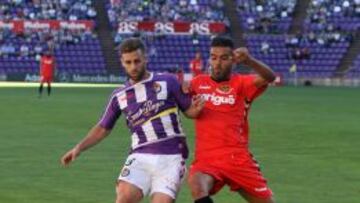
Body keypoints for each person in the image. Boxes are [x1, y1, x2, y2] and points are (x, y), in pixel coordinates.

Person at [60, 38, 204, 203]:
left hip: (171, 157)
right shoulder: (119, 96)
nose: (133, 66)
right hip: (140, 156)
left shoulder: (168, 81)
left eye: (137, 61)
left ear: (145, 59)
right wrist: (79, 147)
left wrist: (197, 108)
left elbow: (189, 111)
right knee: (124, 199)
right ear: (122, 62)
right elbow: (102, 128)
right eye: (128, 62)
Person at [187, 36, 276, 203]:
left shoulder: (242, 83)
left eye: (223, 58)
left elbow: (269, 77)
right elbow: (181, 102)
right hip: (206, 159)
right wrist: (190, 112)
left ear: (233, 60)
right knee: (196, 184)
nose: (217, 63)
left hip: (237, 158)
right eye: (213, 57)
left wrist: (249, 61)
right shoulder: (197, 83)